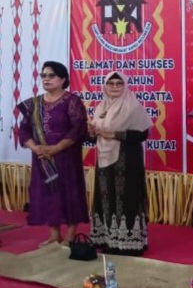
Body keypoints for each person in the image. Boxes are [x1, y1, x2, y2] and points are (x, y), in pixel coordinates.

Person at [17, 61, 89, 246]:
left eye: (51, 75)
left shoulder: (72, 101)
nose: (46, 79)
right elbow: (24, 130)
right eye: (43, 75)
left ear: (63, 79)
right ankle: (54, 235)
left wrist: (56, 148)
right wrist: (35, 148)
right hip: (42, 157)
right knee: (49, 194)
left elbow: (78, 129)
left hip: (66, 156)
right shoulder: (34, 103)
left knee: (69, 193)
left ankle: (71, 235)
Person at [88, 71, 153, 256]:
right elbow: (95, 136)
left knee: (127, 197)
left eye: (119, 83)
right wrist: (92, 133)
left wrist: (113, 134)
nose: (115, 87)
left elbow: (142, 134)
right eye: (111, 83)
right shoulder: (100, 107)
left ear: (125, 86)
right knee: (106, 196)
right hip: (104, 159)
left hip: (127, 160)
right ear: (105, 86)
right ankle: (108, 239)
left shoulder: (133, 106)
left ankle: (128, 242)